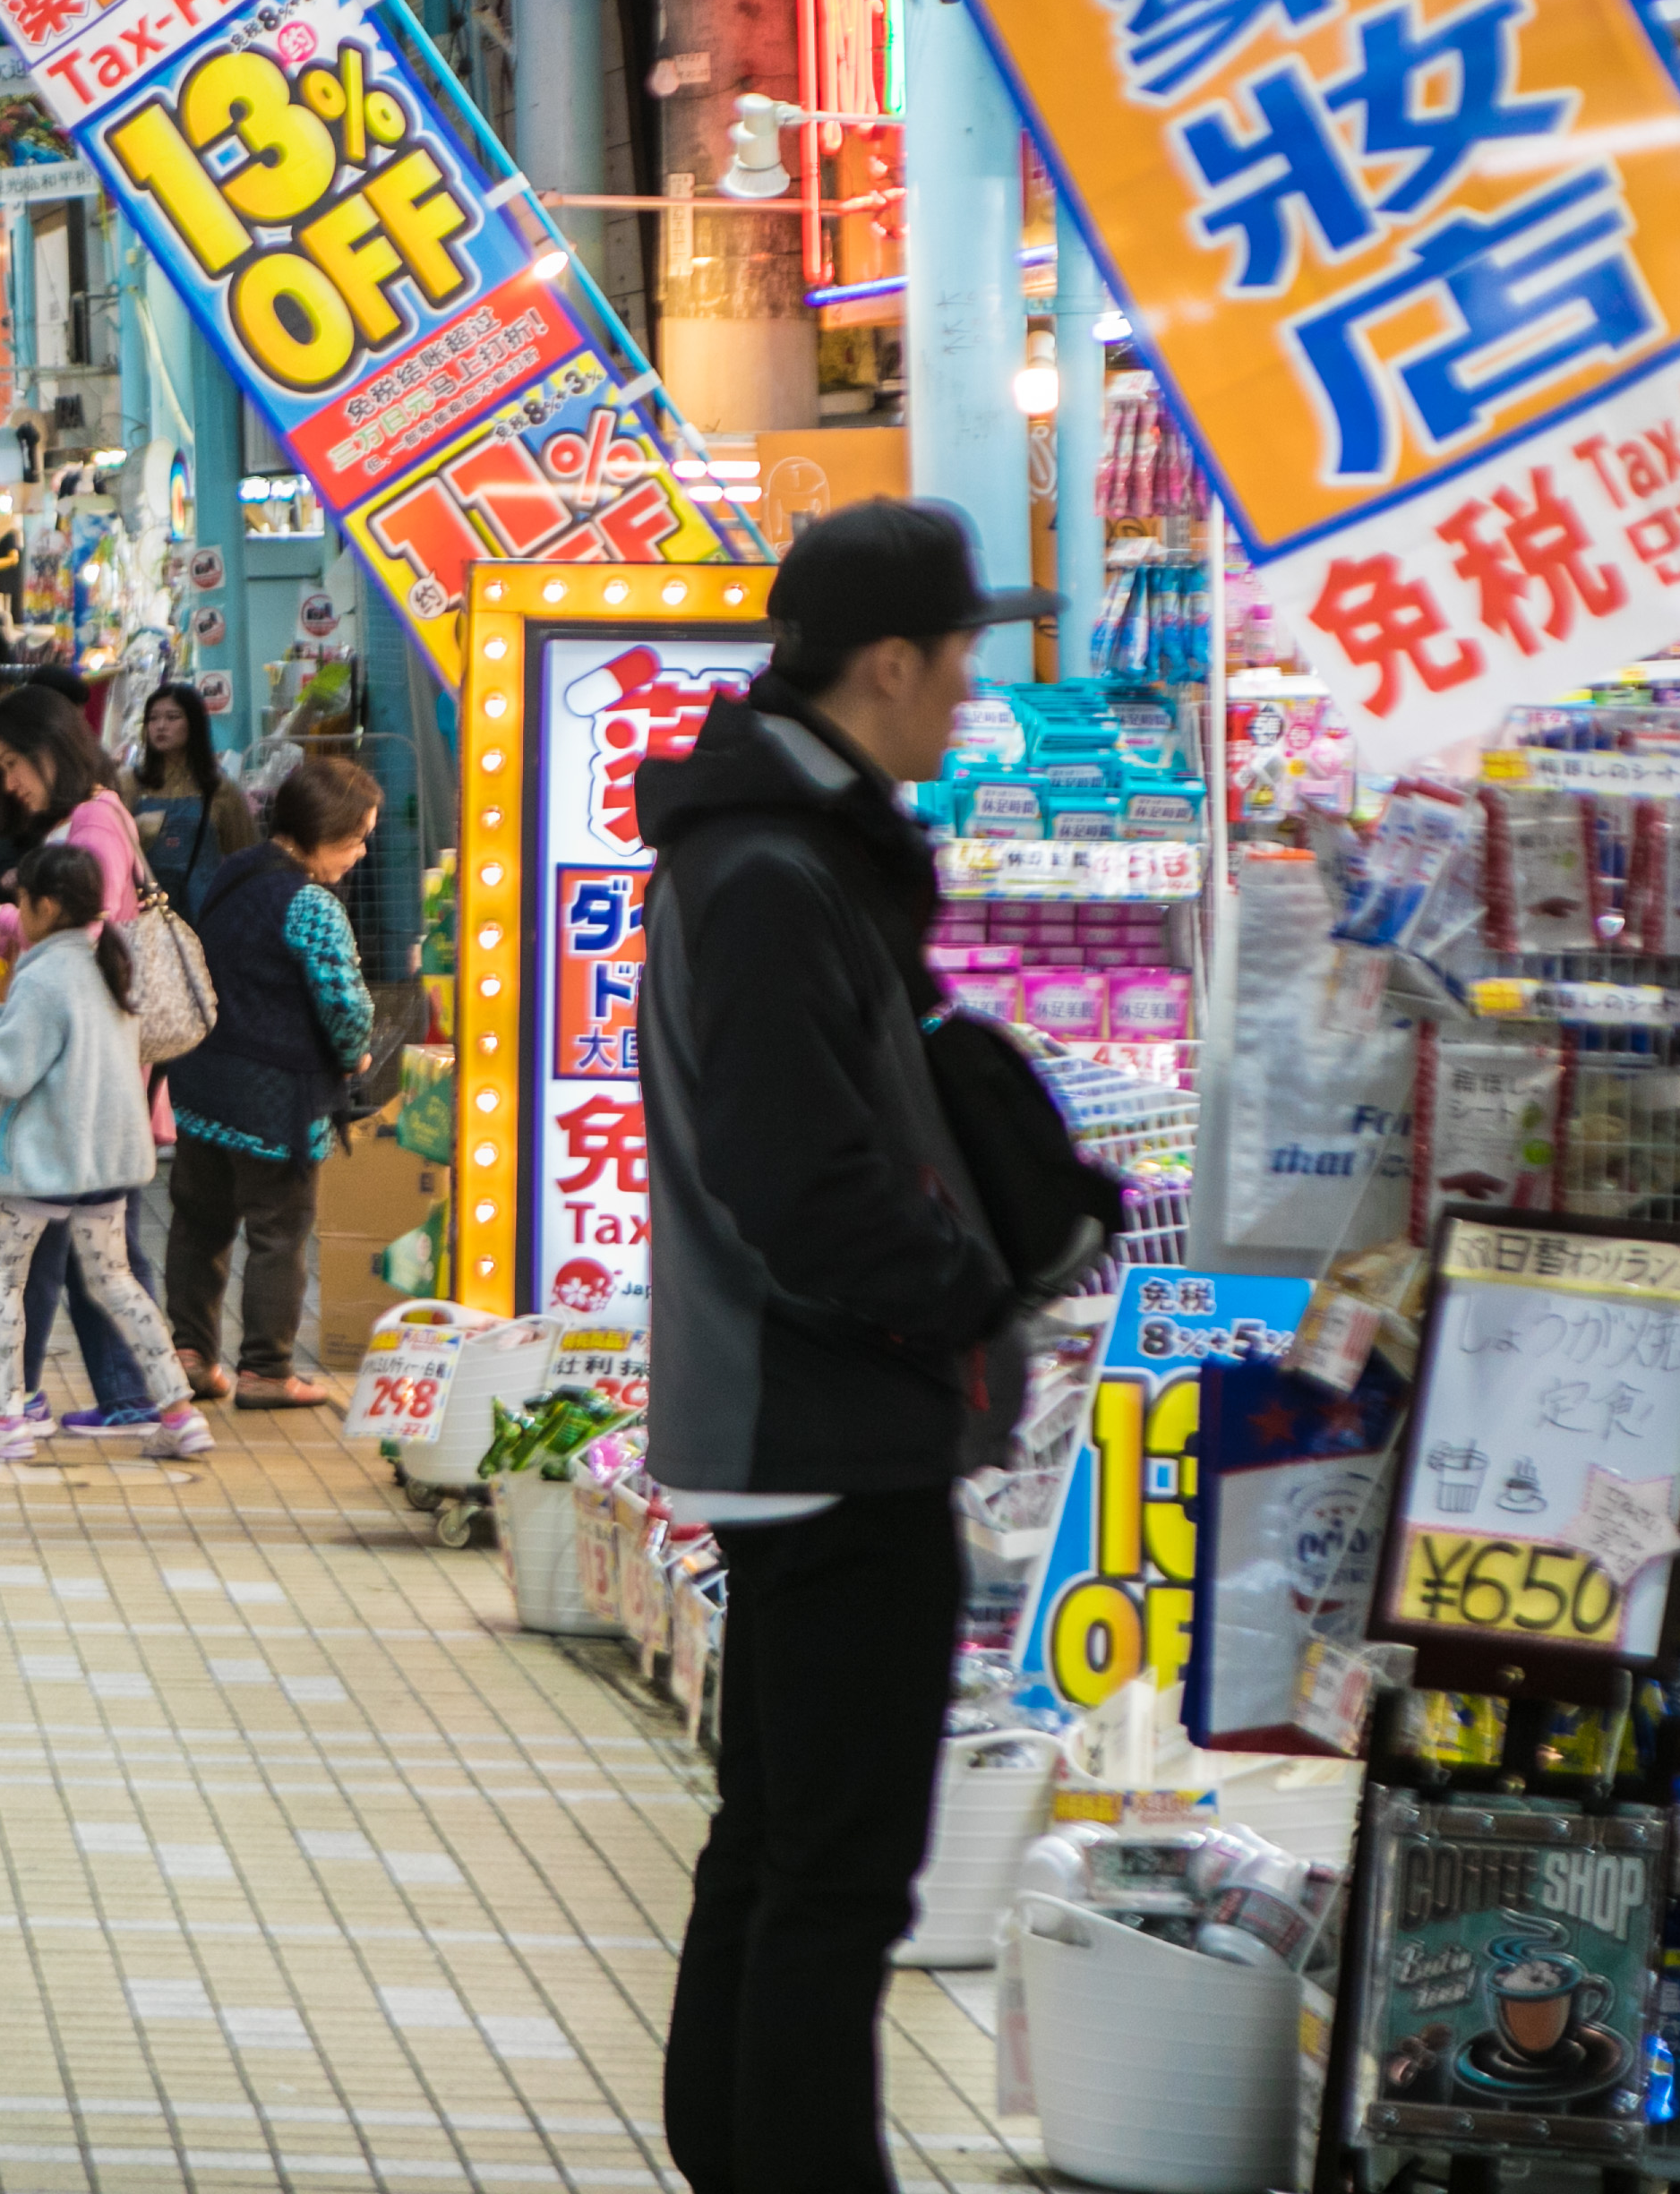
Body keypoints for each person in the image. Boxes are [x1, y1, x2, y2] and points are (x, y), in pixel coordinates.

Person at [642, 501, 1033, 2194]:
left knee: (781, 1841)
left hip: (800, 1414)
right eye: (958, 658)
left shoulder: (771, 847)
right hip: (824, 1418)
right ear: (887, 663)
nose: (969, 692)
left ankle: (736, 2155)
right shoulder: (775, 871)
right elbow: (802, 1183)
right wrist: (972, 1291)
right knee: (838, 1876)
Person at [0, 686, 161, 1432]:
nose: (11, 784)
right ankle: (130, 1394)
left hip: (76, 1082)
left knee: (45, 1248)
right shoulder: (96, 816)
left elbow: (81, 938)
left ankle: (20, 1395)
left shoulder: (92, 824)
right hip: (91, 1078)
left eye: (13, 764)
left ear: (50, 748)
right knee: (89, 1248)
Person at [0, 841, 210, 1464]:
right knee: (117, 1280)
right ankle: (178, 1411)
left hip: (47, 1163)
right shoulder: (110, 960)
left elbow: (10, 1069)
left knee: (3, 1277)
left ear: (44, 906)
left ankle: (7, 1418)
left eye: (21, 902)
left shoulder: (45, 976)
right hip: (108, 1164)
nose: (17, 913)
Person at [162, 757, 381, 1411]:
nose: (361, 852)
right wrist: (354, 1057)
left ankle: (190, 1355)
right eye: (357, 838)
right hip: (276, 1100)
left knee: (199, 1226)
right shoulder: (311, 903)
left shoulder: (235, 872)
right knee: (277, 1235)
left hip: (202, 1082)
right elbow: (346, 1007)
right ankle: (265, 1370)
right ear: (324, 830)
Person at [126, 685, 257, 904]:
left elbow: (246, 858)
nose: (160, 726)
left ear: (194, 724)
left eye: (172, 717)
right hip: (146, 912)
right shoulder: (130, 784)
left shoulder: (221, 790)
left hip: (206, 911)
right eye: (153, 718)